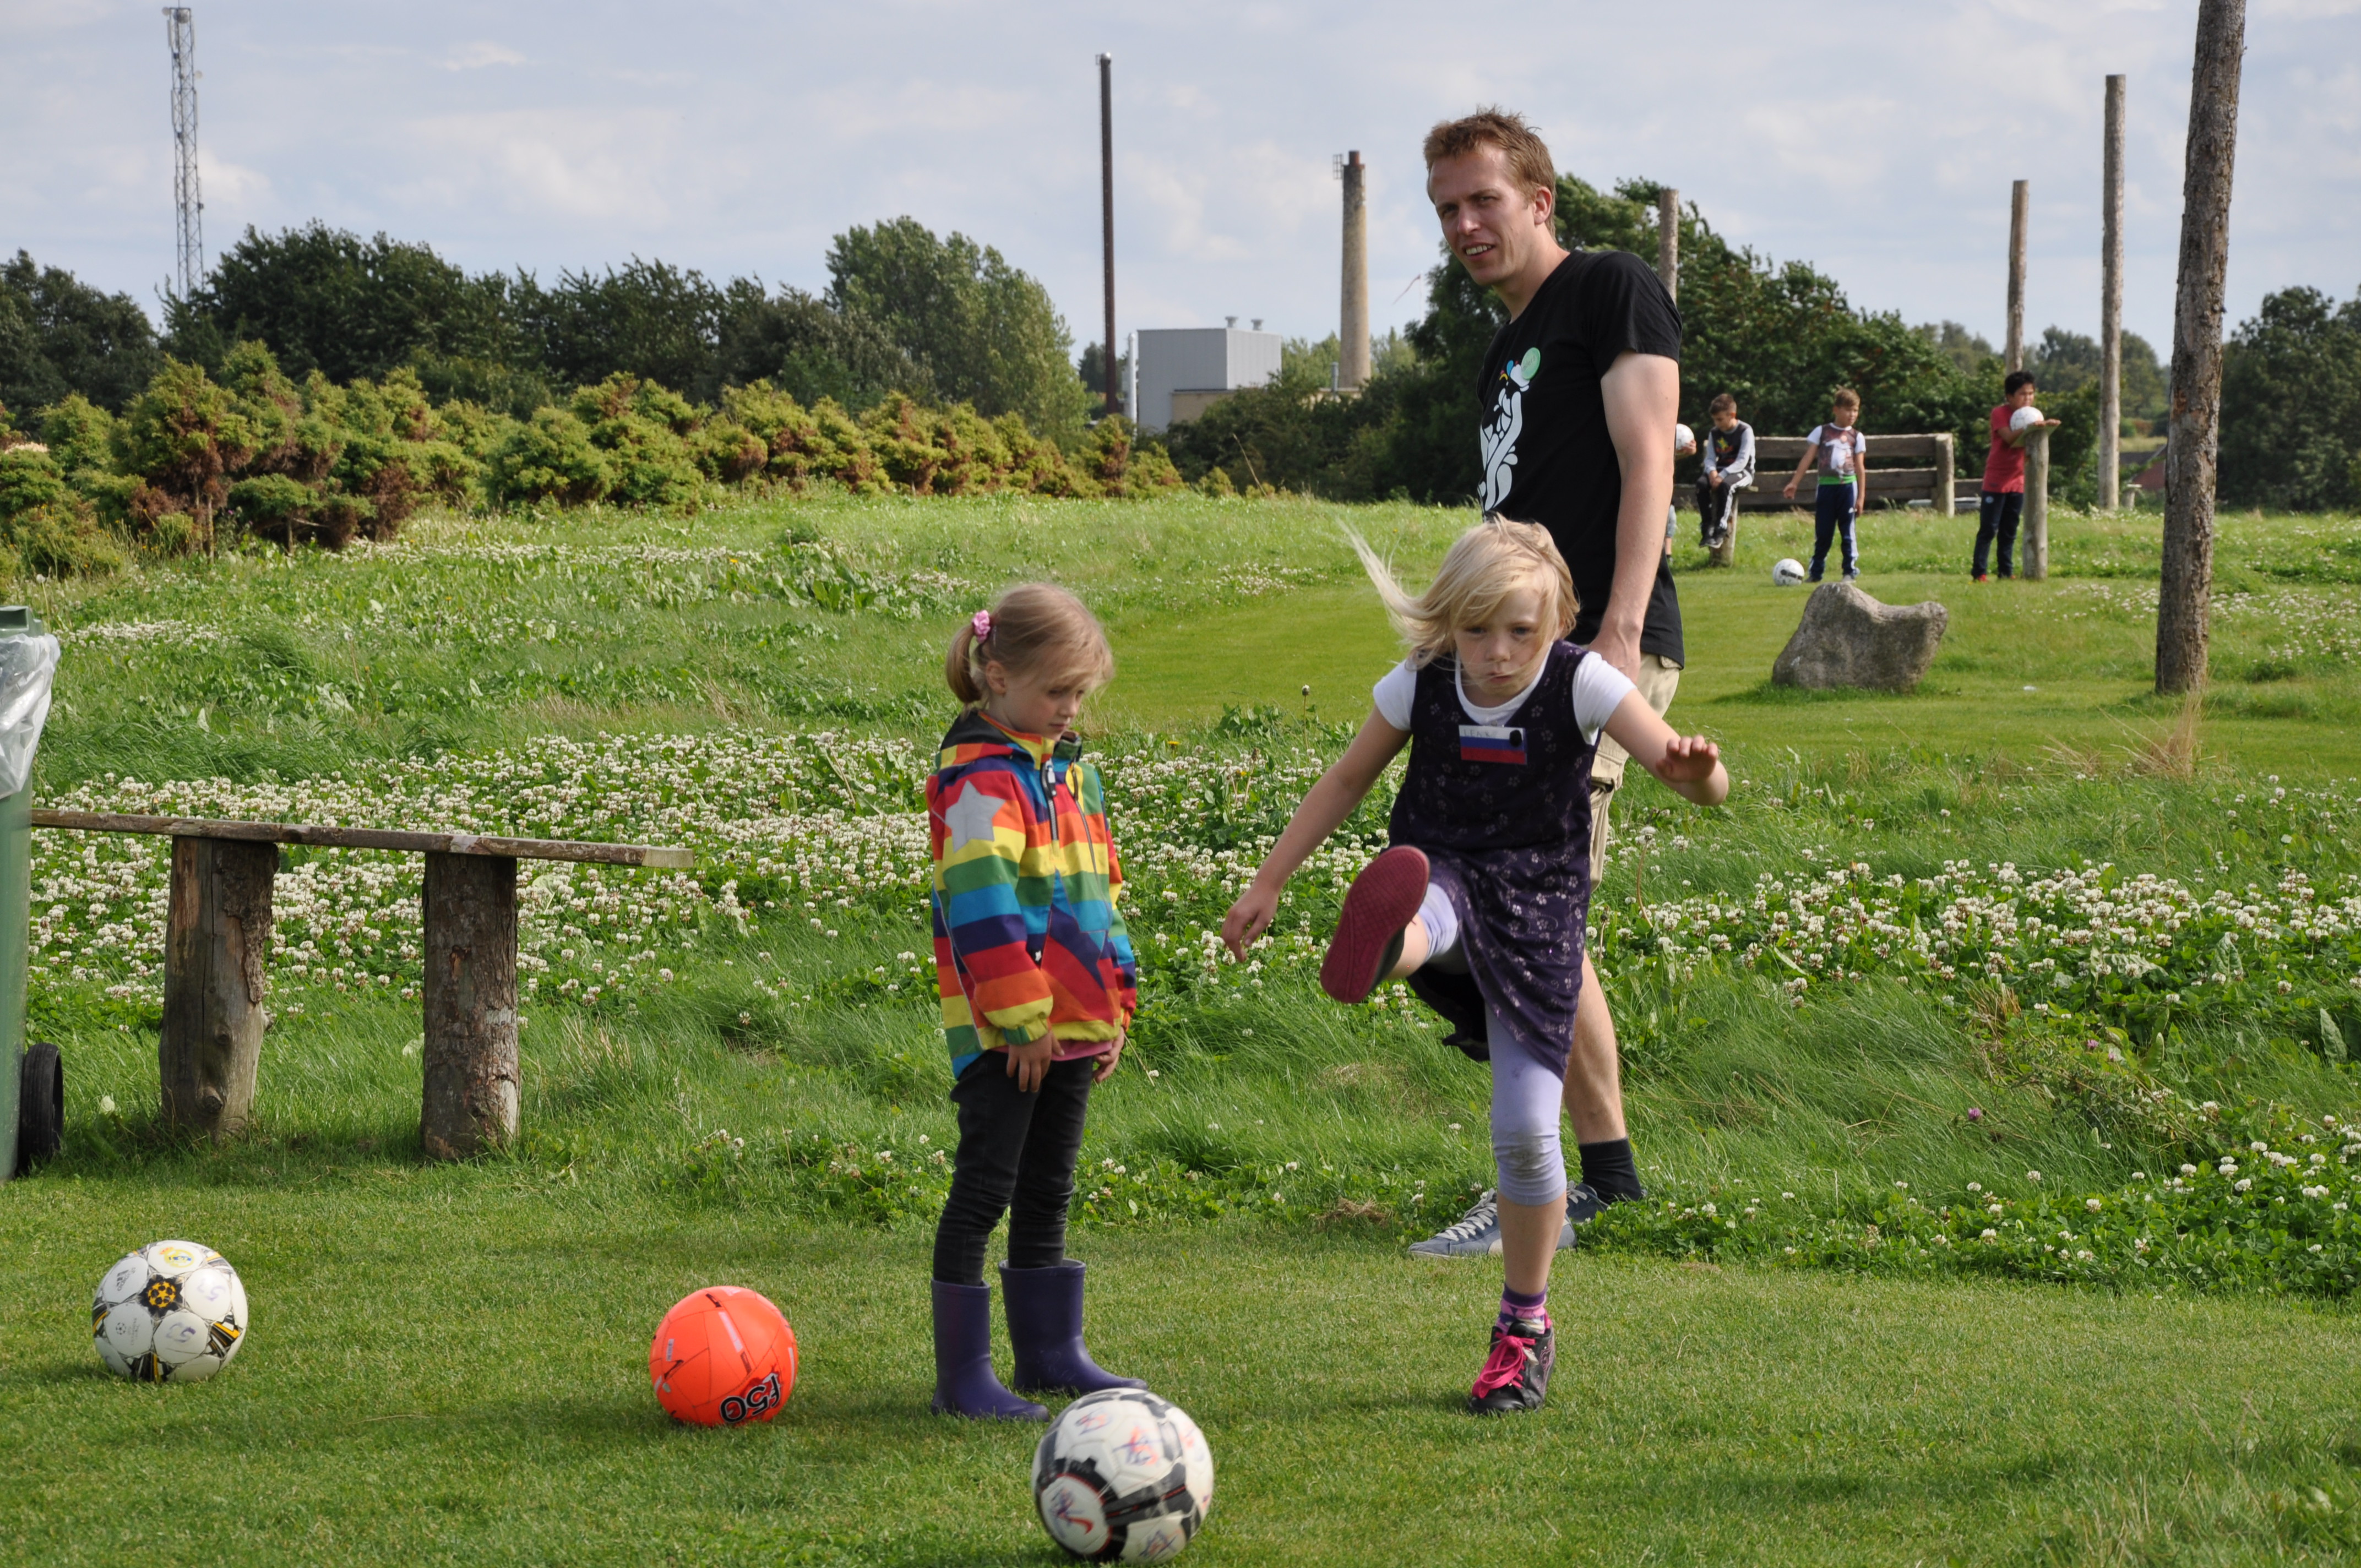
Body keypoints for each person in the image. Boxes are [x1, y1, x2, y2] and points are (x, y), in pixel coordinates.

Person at [1220, 520, 1729, 1413]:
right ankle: (1385, 944)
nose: (1496, 653)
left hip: (1538, 915)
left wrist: (1697, 774)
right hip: (1442, 871)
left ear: (1556, 621)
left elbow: (1687, 775)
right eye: (1475, 629)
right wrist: (1268, 879)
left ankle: (1522, 1327)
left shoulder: (1585, 682)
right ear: (1446, 624)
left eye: (1519, 631)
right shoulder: (1420, 685)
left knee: (1528, 1138)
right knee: (1428, 904)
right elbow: (1343, 781)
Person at [1408, 107, 1684, 1260]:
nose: (1464, 225)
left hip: (1586, 658)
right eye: (1445, 210)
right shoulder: (1502, 344)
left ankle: (1562, 1184)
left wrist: (1616, 626)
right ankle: (1595, 1177)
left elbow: (1649, 452)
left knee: (1527, 903)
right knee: (1505, 903)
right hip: (1504, 660)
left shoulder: (1607, 289)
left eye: (1481, 200)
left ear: (1537, 200)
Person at [926, 583, 1143, 1422]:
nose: (1069, 709)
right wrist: (1018, 1023)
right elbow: (981, 907)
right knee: (986, 1187)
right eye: (1057, 692)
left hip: (1077, 1028)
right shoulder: (978, 782)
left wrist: (1115, 1003)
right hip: (1009, 1035)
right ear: (996, 674)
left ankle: (1052, 1356)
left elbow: (1101, 892)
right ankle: (963, 1379)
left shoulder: (1069, 774)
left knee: (1049, 1189)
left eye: (1081, 695)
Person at [1975, 370, 2060, 581]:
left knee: (2010, 530)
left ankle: (2006, 572)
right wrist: (2030, 428)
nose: (2028, 398)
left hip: (2018, 480)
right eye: (2023, 394)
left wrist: (2047, 428)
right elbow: (2009, 440)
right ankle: (1979, 573)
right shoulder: (2000, 414)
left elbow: (2033, 440)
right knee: (1989, 529)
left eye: (2031, 394)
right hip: (1997, 479)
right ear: (2010, 397)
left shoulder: (2032, 415)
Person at [1781, 389, 1869, 580]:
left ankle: (1849, 572)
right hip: (1826, 488)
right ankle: (1816, 572)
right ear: (1836, 410)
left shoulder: (1857, 437)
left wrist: (1861, 497)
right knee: (1823, 532)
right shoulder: (1822, 432)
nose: (1852, 415)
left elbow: (1860, 468)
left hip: (1848, 487)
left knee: (1847, 532)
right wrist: (1794, 483)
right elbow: (1808, 458)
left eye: (1855, 410)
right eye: (1848, 410)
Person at [1695, 393, 1754, 552]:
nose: (1717, 424)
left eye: (1720, 419)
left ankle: (1720, 529)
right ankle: (1707, 527)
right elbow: (1710, 458)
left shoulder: (1745, 431)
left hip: (1743, 472)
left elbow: (1742, 460)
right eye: (1715, 420)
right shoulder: (1714, 433)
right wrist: (1713, 472)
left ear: (1732, 415)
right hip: (1720, 471)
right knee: (1701, 484)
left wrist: (1722, 476)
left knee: (1726, 486)